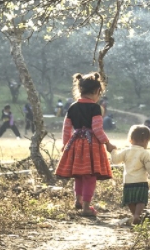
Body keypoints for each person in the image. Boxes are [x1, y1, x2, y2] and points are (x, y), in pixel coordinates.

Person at [54, 72, 115, 217]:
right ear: (96, 92)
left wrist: (65, 144)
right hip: (91, 145)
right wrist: (107, 143)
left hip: (75, 143)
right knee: (90, 175)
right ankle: (87, 207)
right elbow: (97, 129)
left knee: (79, 175)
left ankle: (78, 200)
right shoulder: (95, 108)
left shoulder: (72, 107)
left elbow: (66, 128)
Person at [108, 125, 150, 225]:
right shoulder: (145, 153)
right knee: (140, 200)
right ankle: (137, 215)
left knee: (130, 200)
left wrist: (112, 151)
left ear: (130, 139)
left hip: (128, 182)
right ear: (146, 141)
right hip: (141, 182)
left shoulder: (126, 151)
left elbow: (115, 160)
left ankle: (135, 215)